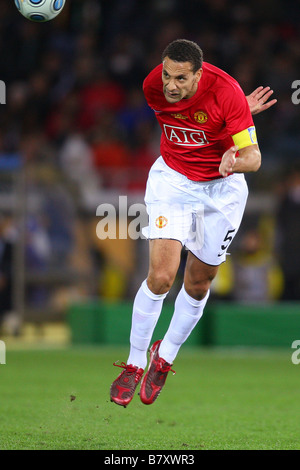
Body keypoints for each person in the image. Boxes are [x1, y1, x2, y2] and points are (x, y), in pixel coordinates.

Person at [110, 39, 276, 407]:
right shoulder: (153, 86)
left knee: (199, 283)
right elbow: (191, 119)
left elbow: (255, 158)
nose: (171, 85)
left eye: (181, 78)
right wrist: (229, 119)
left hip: (223, 189)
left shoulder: (227, 91)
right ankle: (135, 363)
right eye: (168, 74)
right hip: (174, 182)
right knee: (161, 277)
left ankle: (164, 357)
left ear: (199, 74)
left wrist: (235, 156)